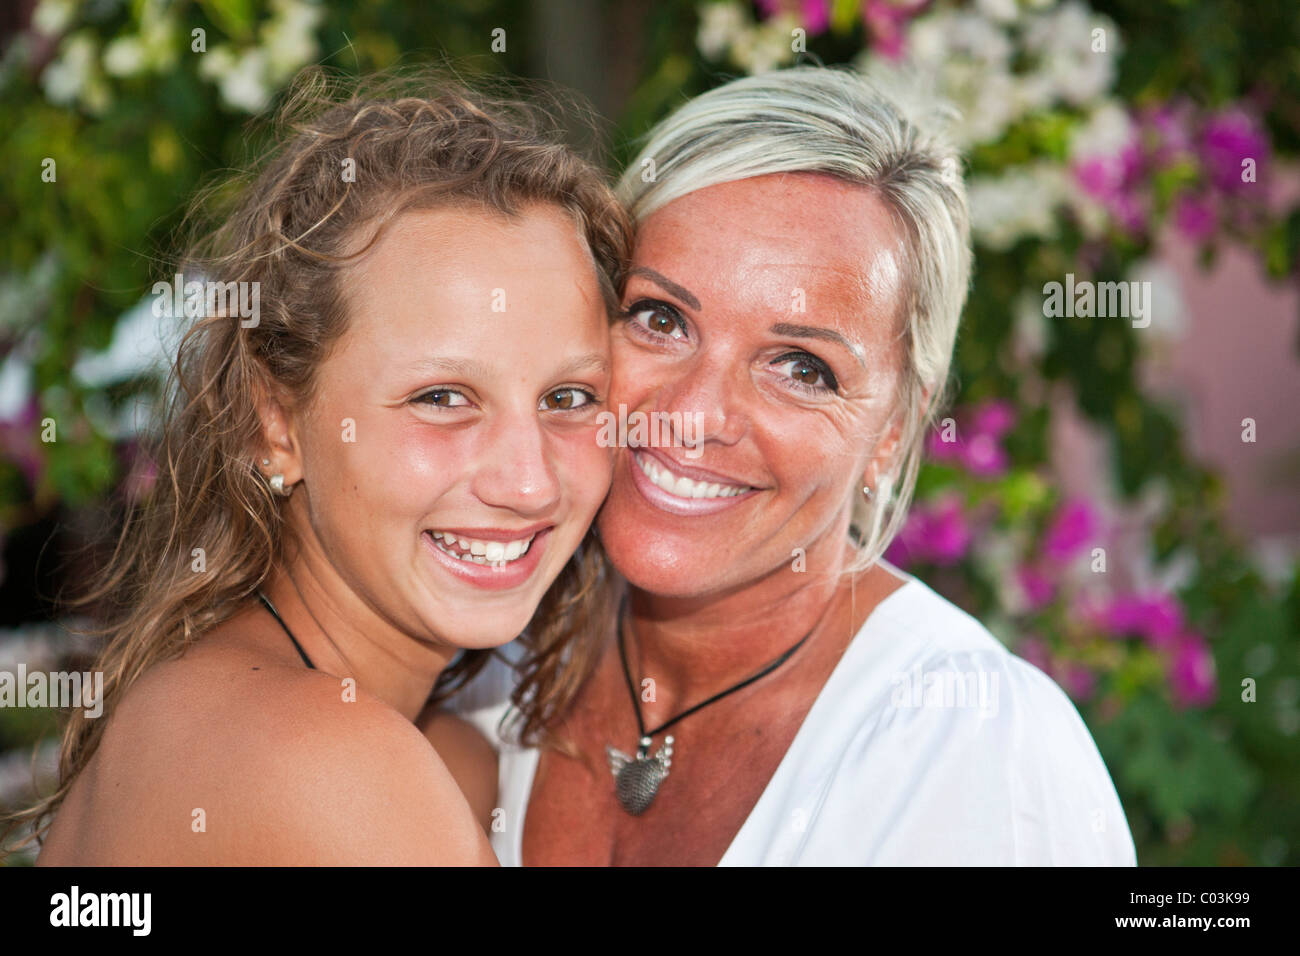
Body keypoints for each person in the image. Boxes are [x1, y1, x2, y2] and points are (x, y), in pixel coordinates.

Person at [443, 66, 1137, 866]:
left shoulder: (973, 749)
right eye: (661, 318)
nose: (695, 414)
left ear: (895, 427)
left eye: (802, 368)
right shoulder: (490, 639)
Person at [7, 69, 630, 865]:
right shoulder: (331, 761)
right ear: (275, 423)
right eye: (442, 396)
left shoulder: (263, 713)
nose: (530, 481)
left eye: (569, 396)